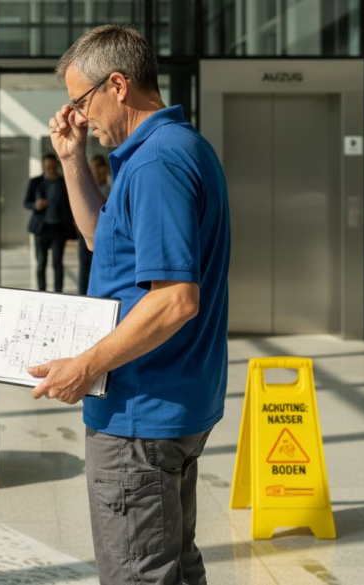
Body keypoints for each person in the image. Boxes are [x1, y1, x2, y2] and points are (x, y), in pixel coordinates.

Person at [26, 25, 230, 585]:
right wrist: (72, 159)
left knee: (140, 573)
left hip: (141, 411)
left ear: (117, 84)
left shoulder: (156, 164)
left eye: (81, 101)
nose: (79, 116)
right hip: (172, 400)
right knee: (175, 566)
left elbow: (175, 302)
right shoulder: (170, 149)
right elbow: (104, 241)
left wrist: (84, 366)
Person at [24, 152, 76, 292]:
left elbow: (72, 205)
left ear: (56, 166)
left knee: (58, 263)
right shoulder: (36, 182)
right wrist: (36, 205)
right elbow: (26, 202)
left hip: (59, 229)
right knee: (41, 263)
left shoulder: (64, 182)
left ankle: (58, 292)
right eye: (47, 166)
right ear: (43, 166)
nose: (50, 169)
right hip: (41, 228)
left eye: (52, 166)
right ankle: (42, 291)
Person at [78, 155, 111, 295]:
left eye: (99, 168)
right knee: (85, 266)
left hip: (105, 231)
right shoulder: (89, 184)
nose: (97, 172)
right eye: (94, 168)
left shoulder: (112, 184)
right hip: (89, 229)